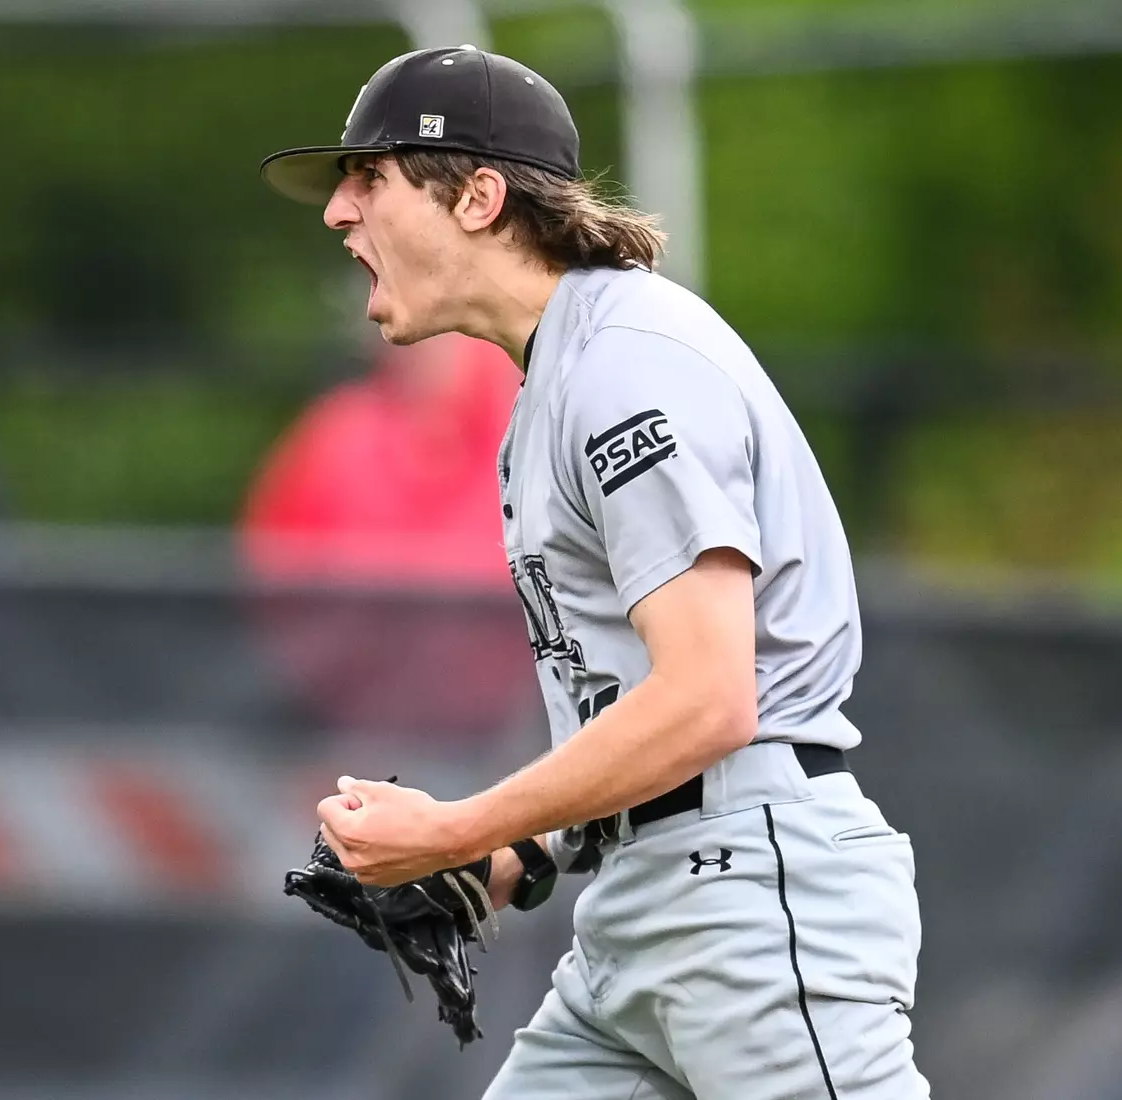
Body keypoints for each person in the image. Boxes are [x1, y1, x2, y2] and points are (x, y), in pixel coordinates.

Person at [261, 44, 928, 1100]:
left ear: (477, 196)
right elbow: (636, 704)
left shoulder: (624, 365)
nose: (339, 211)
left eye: (369, 177)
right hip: (644, 903)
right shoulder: (559, 378)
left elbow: (708, 699)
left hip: (746, 889)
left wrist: (456, 826)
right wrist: (516, 857)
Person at [238, 331, 535, 737]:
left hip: (507, 734)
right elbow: (268, 574)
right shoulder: (338, 436)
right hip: (351, 725)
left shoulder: (532, 441)